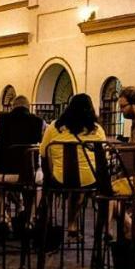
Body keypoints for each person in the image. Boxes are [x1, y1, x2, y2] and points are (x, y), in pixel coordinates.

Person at [39, 93, 108, 240]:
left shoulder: (54, 127)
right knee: (81, 182)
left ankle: (50, 223)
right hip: (90, 180)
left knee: (72, 181)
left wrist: (50, 174)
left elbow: (43, 153)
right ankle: (74, 224)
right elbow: (103, 158)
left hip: (60, 179)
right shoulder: (97, 130)